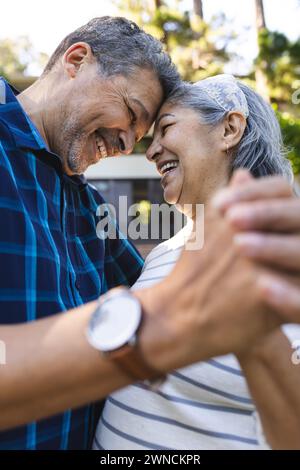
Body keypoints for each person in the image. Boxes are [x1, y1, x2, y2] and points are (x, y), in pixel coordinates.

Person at [0, 16, 299, 450]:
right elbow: (169, 312)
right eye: (134, 118)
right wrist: (159, 325)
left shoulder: (90, 211)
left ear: (231, 130)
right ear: (77, 60)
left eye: (147, 135)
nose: (129, 148)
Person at [94, 75, 300, 450]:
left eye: (167, 127)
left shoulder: (284, 253)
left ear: (229, 129)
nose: (152, 151)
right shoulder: (162, 252)